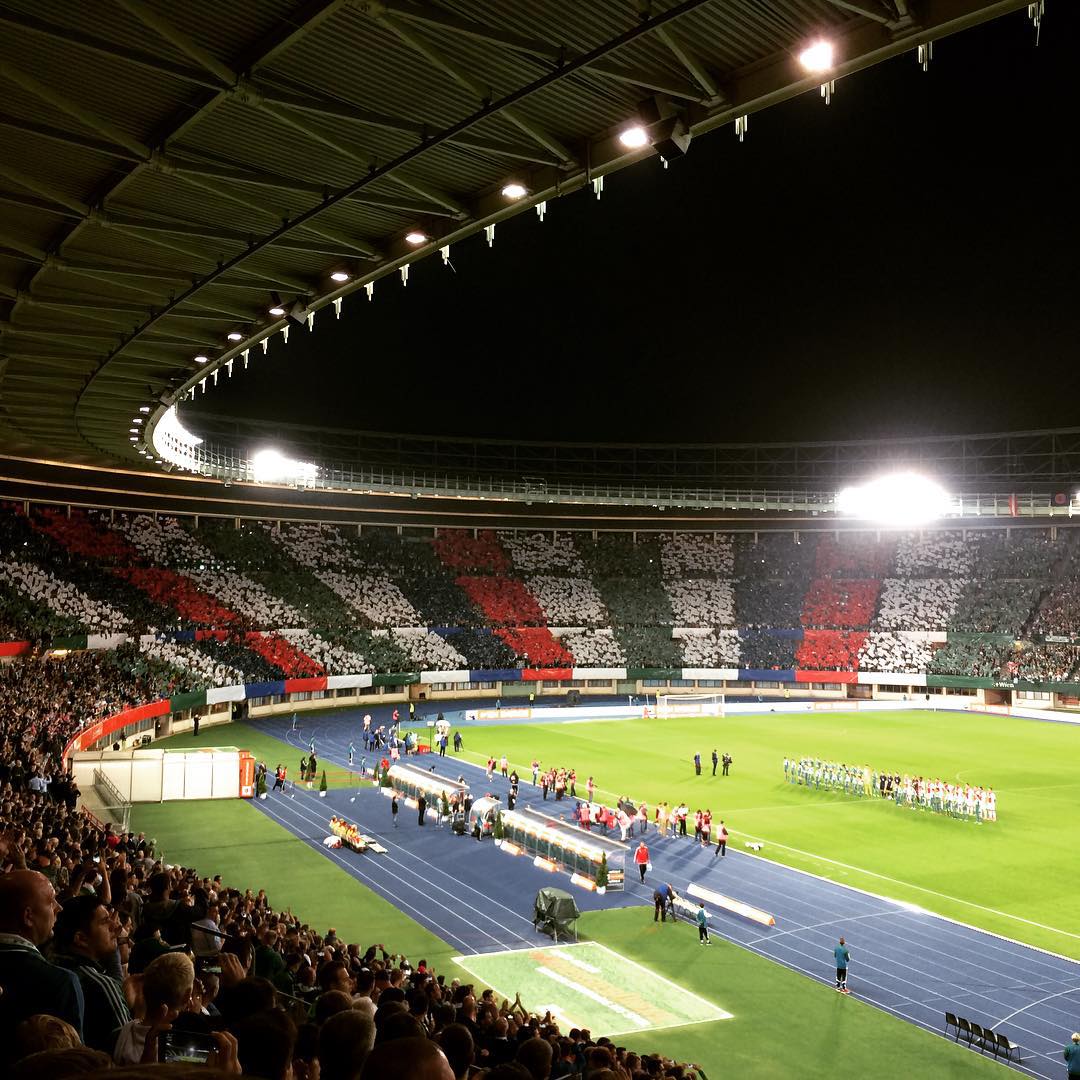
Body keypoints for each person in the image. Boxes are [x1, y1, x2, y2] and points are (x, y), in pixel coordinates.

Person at [0, 870, 85, 1044]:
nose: (59, 907)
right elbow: (74, 1059)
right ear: (28, 917)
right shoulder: (61, 983)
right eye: (51, 901)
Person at [51, 894, 132, 1053]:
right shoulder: (100, 985)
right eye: (105, 921)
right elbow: (128, 1051)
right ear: (81, 939)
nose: (115, 927)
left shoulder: (54, 968)